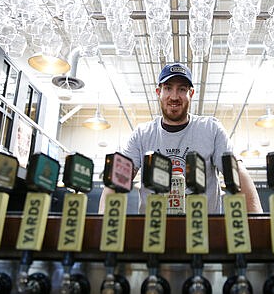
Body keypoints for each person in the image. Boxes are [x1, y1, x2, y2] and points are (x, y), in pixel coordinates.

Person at [99, 63, 263, 214]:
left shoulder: (211, 129)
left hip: (201, 233)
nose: (174, 96)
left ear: (191, 93)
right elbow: (116, 181)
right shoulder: (142, 134)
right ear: (159, 92)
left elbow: (237, 172)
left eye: (182, 89)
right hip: (154, 234)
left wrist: (257, 224)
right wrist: (102, 224)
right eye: (168, 88)